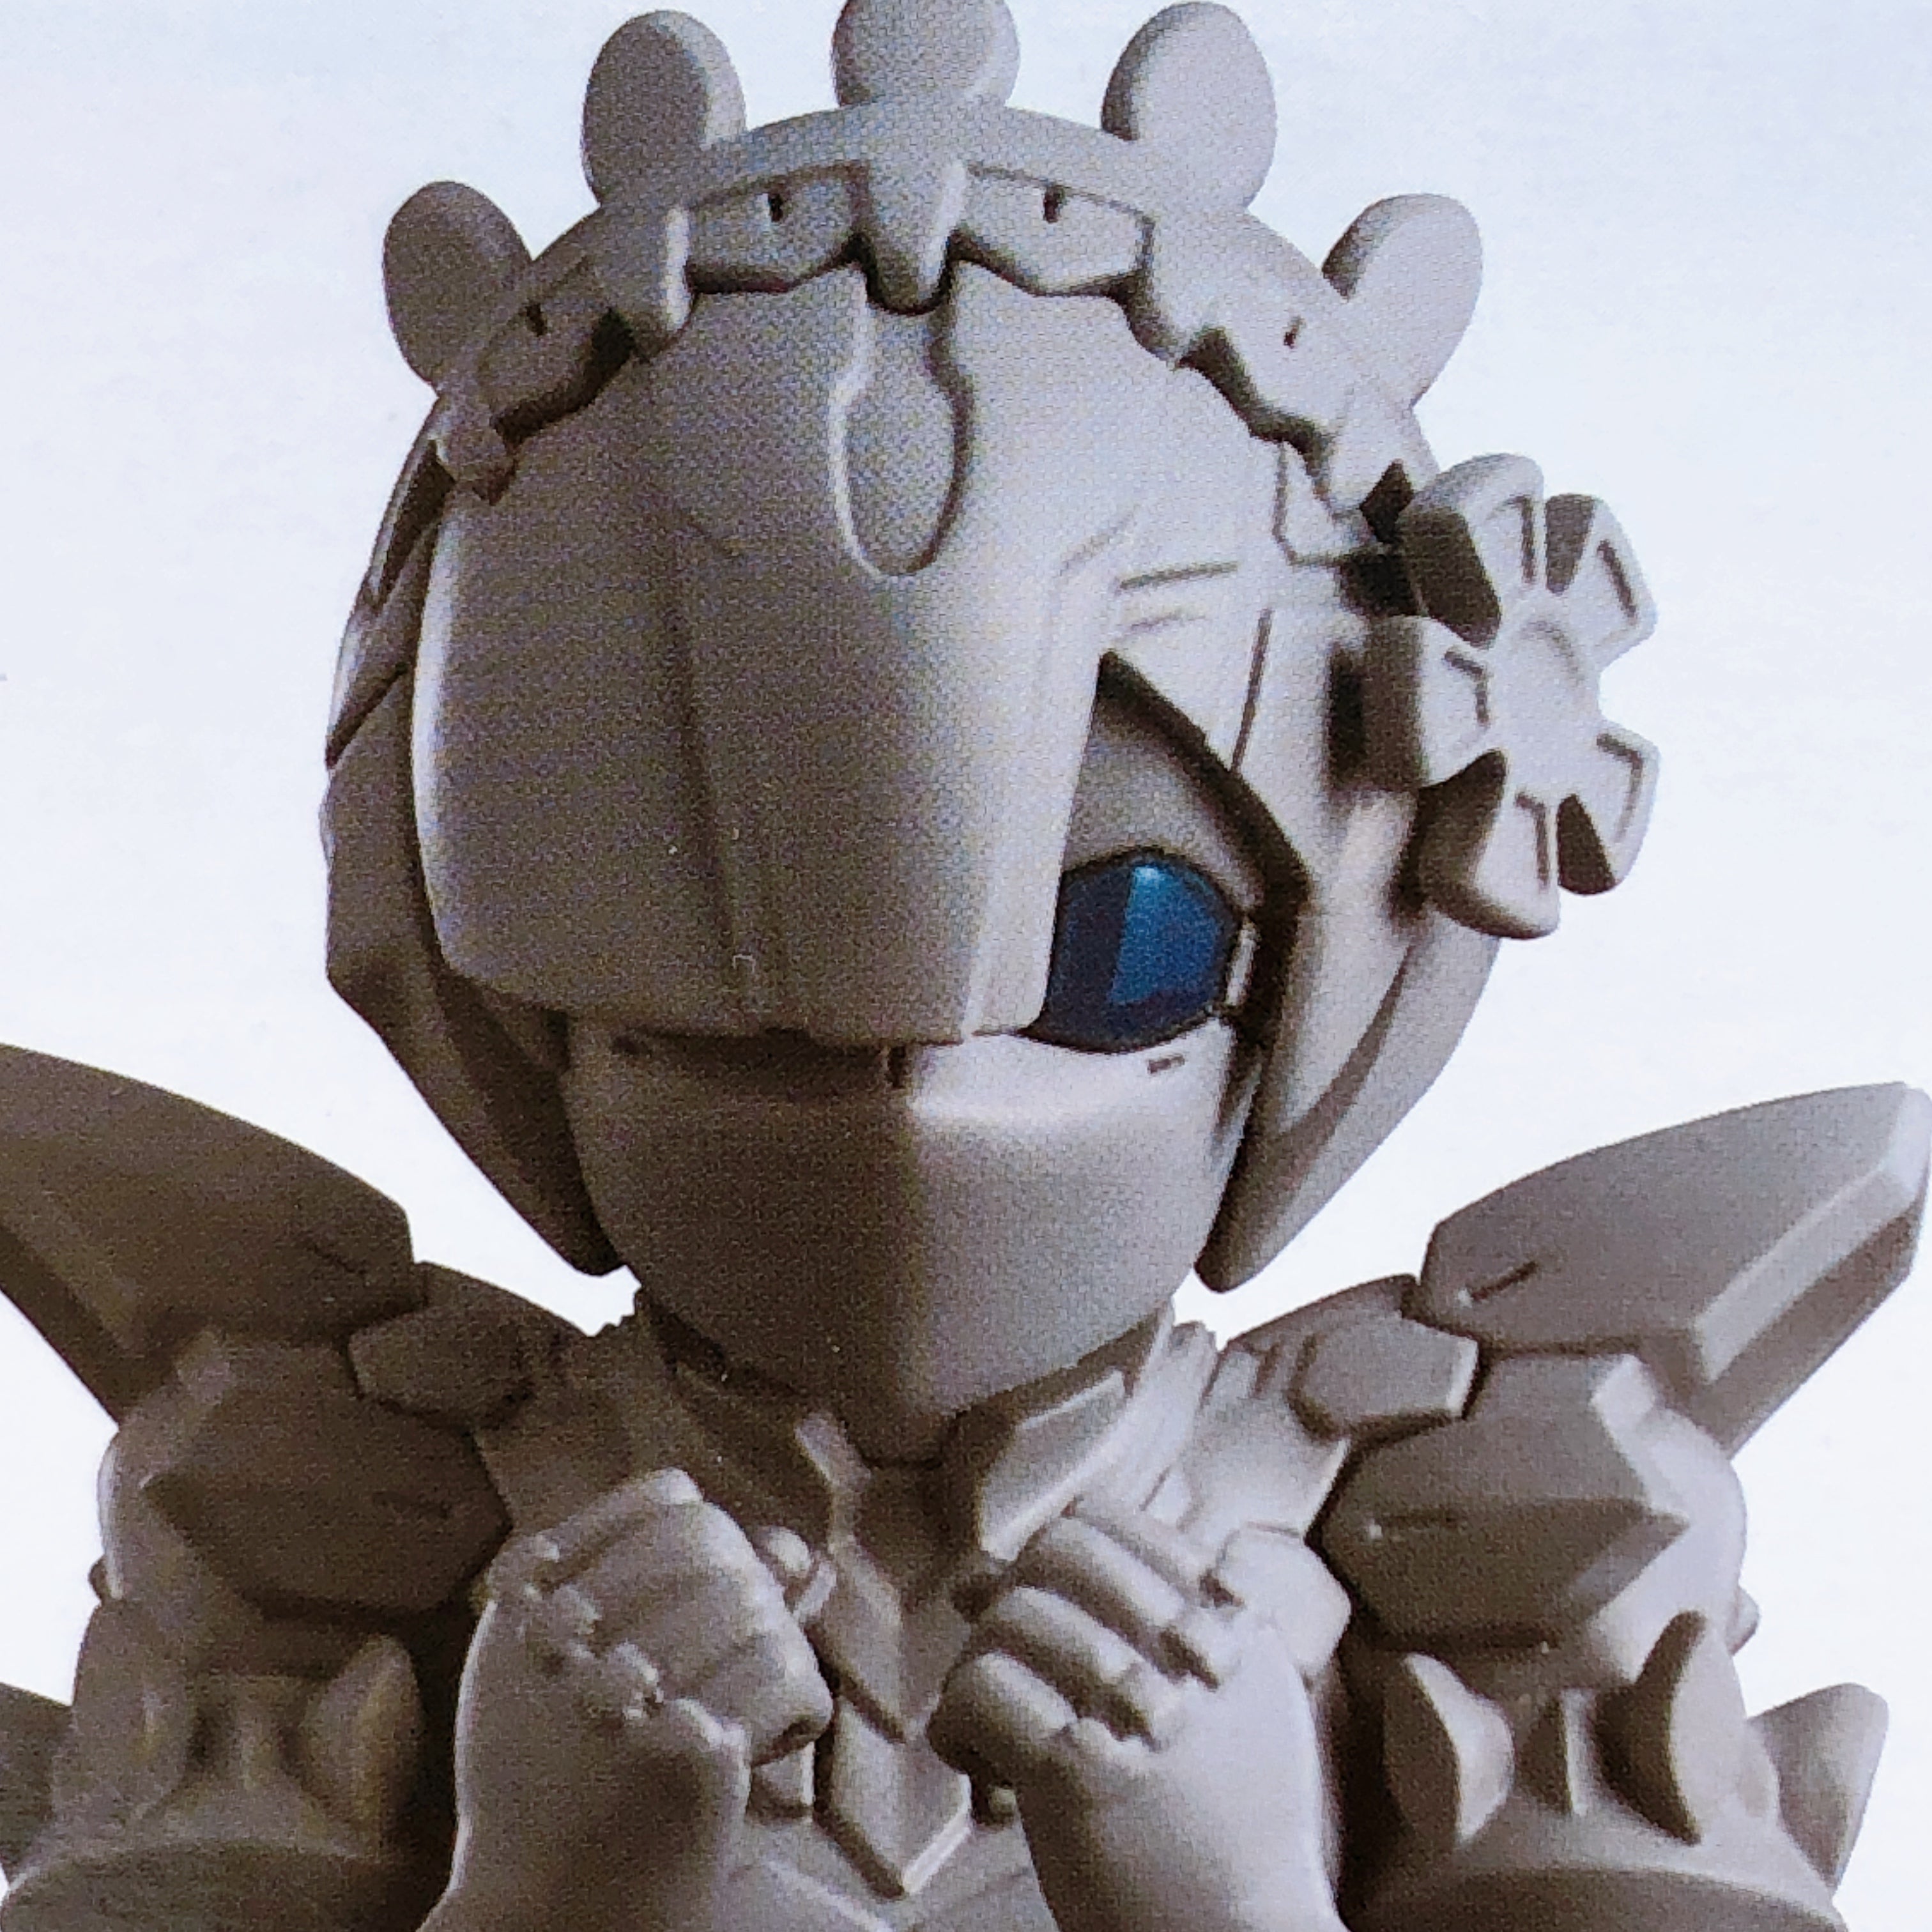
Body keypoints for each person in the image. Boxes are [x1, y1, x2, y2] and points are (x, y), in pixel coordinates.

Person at [0, 6, 1917, 1929]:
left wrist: (1235, 1899)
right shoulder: (339, 1514)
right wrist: (545, 1890)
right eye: (682, 992)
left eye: (1129, 950)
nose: (913, 1104)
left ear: (1339, 963)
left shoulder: (1485, 1514)